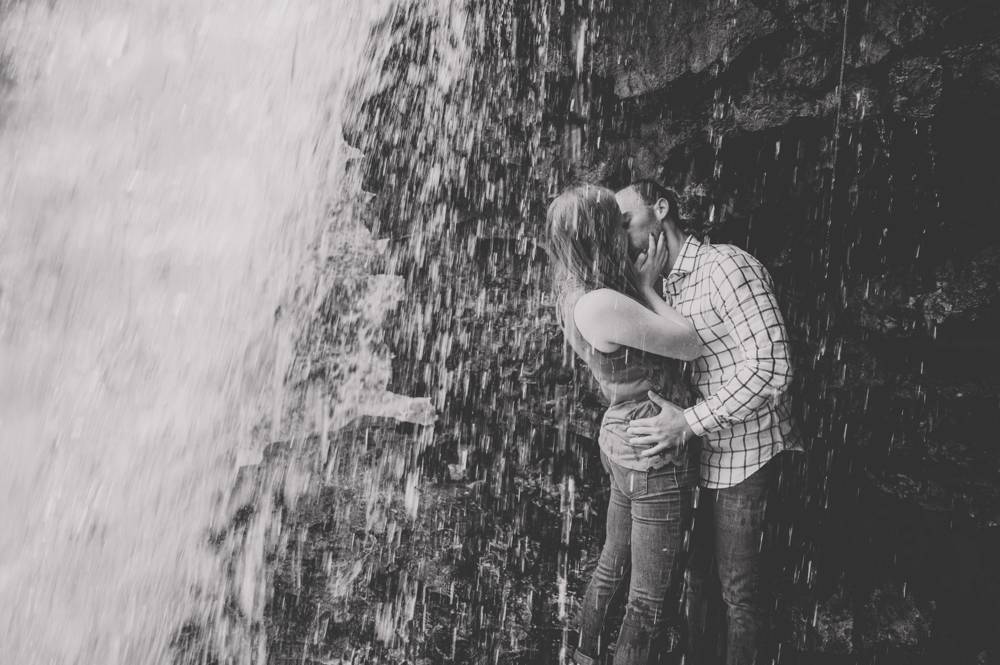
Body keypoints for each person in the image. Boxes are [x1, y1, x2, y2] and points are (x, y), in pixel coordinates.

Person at [616, 179, 798, 665]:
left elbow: (772, 364)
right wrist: (646, 290)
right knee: (698, 587)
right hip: (695, 461)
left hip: (748, 456)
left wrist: (689, 423)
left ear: (661, 209)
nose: (620, 236)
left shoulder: (726, 266)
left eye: (625, 222)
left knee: (741, 598)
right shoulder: (654, 282)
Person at [545, 183, 704, 665]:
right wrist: (649, 287)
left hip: (621, 442)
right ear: (601, 233)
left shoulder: (574, 290)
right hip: (651, 452)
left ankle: (583, 654)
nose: (627, 231)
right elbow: (689, 343)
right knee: (647, 602)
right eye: (617, 223)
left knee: (612, 565)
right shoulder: (603, 303)